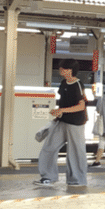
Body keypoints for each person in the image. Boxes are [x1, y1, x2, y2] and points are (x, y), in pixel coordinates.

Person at [34, 59, 90, 187]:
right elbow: (63, 101)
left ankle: (77, 180)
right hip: (62, 121)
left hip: (75, 123)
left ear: (70, 70)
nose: (60, 71)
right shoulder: (64, 83)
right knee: (49, 148)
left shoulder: (78, 85)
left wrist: (62, 110)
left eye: (63, 68)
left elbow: (81, 106)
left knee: (75, 152)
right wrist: (58, 114)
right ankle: (48, 177)